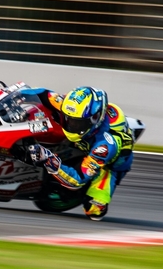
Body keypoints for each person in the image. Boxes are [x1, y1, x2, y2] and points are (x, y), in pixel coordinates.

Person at [26, 86, 135, 221]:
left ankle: (92, 192)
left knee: (94, 211)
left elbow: (78, 179)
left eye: (77, 123)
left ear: (95, 119)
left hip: (108, 164)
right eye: (68, 119)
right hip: (82, 141)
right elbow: (43, 94)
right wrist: (11, 93)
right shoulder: (72, 106)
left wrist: (48, 160)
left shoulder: (105, 146)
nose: (71, 125)